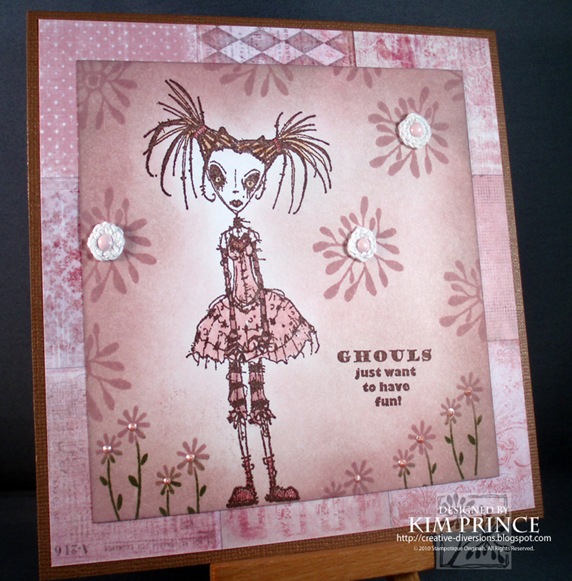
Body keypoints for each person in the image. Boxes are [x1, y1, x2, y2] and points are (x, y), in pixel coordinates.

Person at [144, 79, 331, 507]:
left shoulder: (246, 236)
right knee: (240, 400)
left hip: (255, 317)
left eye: (247, 182)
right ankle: (248, 480)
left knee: (259, 398)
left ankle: (271, 480)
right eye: (219, 178)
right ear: (208, 180)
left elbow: (251, 284)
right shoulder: (229, 237)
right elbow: (237, 284)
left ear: (259, 185)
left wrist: (261, 318)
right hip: (234, 322)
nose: (233, 193)